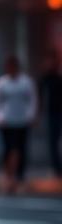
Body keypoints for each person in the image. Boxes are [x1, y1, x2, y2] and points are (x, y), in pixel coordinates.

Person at [0, 55, 38, 193]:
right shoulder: (1, 83)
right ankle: (8, 176)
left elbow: (32, 99)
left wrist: (31, 115)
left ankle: (20, 176)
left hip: (22, 120)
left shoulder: (26, 82)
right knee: (8, 148)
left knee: (21, 148)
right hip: (6, 121)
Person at [40, 49, 62, 177]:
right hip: (52, 113)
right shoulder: (46, 77)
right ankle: (56, 168)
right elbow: (40, 95)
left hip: (58, 111)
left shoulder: (58, 76)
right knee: (53, 141)